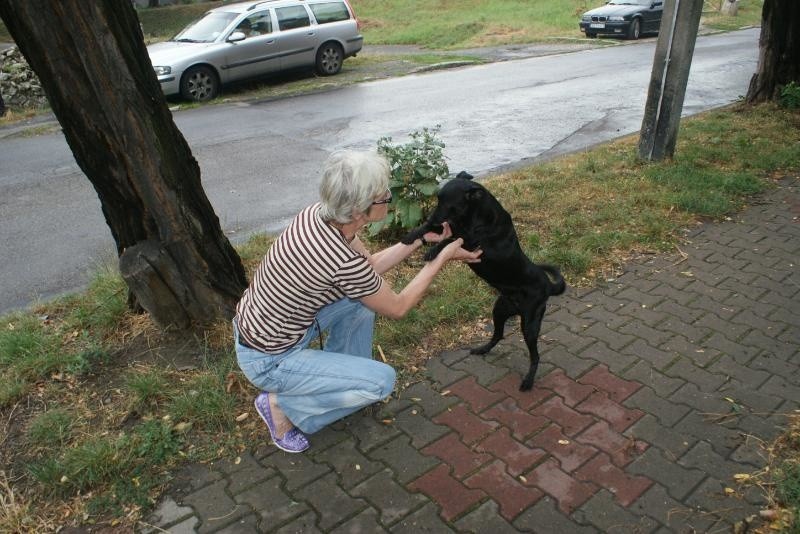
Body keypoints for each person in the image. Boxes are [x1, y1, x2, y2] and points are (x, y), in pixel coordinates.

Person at [234, 150, 482, 453]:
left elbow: (369, 269)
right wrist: (441, 257)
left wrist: (418, 238)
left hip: (270, 329)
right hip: (269, 359)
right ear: (358, 210)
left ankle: (339, 380)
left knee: (359, 303)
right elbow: (399, 306)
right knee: (381, 383)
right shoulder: (338, 257)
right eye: (382, 196)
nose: (388, 198)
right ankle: (279, 404)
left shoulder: (320, 215)